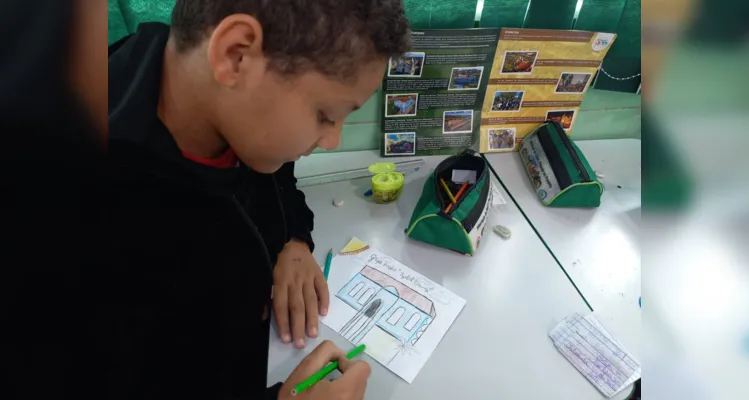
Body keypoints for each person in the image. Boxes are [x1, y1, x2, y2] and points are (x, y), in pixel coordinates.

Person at [107, 0, 410, 399]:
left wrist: (295, 241)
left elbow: (279, 181)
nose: (332, 139)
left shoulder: (227, 111)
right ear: (236, 55)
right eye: (325, 114)